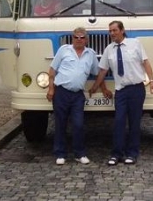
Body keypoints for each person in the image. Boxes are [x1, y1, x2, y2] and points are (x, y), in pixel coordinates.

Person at [89, 20, 153, 166]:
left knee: (134, 122)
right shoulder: (109, 49)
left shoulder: (135, 44)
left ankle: (132, 154)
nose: (112, 33)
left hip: (136, 89)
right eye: (110, 31)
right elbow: (103, 71)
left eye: (115, 30)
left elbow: (146, 63)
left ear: (122, 30)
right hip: (120, 91)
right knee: (118, 122)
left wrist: (152, 81)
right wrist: (96, 87)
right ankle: (116, 154)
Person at [46, 27, 109, 165]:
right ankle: (60, 154)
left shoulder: (90, 54)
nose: (79, 40)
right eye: (76, 37)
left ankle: (79, 153)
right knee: (60, 124)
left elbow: (97, 73)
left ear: (86, 39)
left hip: (77, 95)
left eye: (82, 37)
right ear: (72, 38)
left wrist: (102, 88)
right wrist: (51, 89)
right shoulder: (64, 50)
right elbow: (52, 70)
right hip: (61, 92)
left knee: (79, 124)